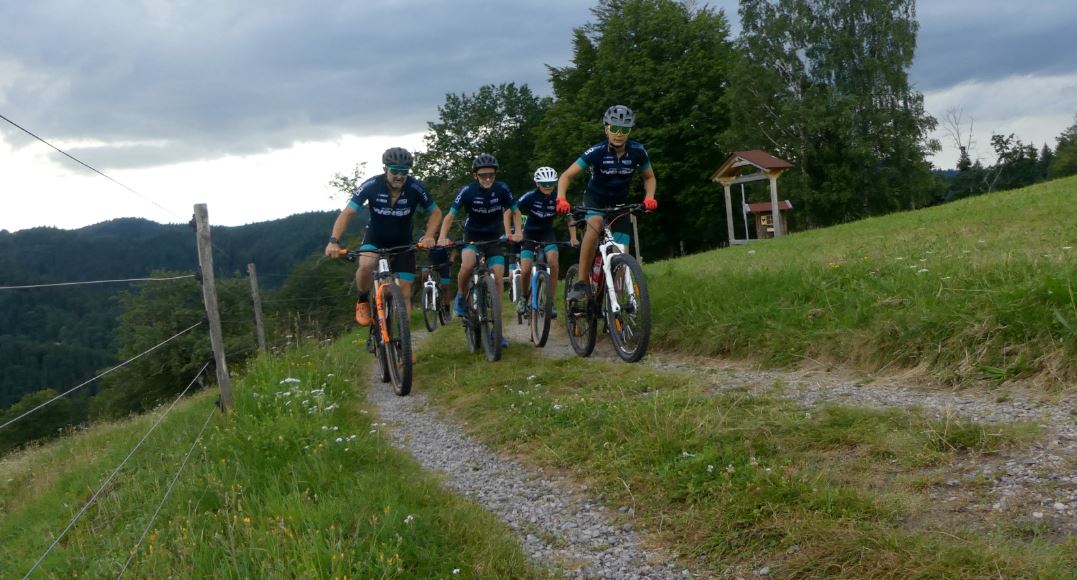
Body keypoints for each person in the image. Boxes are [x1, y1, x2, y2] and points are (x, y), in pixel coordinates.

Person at [325, 147, 442, 329]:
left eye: (404, 172)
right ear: (385, 169)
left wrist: (429, 235)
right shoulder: (371, 185)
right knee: (365, 266)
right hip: (375, 238)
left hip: (403, 242)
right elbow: (348, 213)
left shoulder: (415, 187)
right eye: (395, 171)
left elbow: (435, 212)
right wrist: (334, 241)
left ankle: (404, 345)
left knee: (404, 292)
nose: (399, 176)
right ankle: (363, 299)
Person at [556, 105, 657, 302]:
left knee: (622, 253)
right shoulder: (597, 152)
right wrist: (561, 198)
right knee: (594, 226)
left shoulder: (638, 151)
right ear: (606, 129)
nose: (619, 134)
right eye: (614, 128)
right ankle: (582, 282)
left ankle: (615, 304)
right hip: (595, 200)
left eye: (624, 130)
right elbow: (566, 176)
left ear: (630, 132)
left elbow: (650, 177)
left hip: (619, 204)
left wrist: (649, 197)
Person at [437, 153, 522, 347]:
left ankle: (497, 332)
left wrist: (518, 232)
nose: (487, 179)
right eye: (483, 175)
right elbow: (450, 216)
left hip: (493, 238)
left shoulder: (502, 189)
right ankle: (460, 296)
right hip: (472, 237)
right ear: (475, 175)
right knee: (467, 264)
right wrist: (442, 237)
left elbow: (515, 212)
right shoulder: (467, 191)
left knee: (499, 278)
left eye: (491, 175)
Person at [516, 166, 578, 318]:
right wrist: (517, 231)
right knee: (525, 270)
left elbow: (569, 218)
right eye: (544, 183)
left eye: (551, 183)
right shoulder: (530, 196)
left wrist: (574, 238)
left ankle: (550, 302)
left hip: (547, 233)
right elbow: (513, 210)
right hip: (529, 233)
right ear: (537, 184)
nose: (548, 186)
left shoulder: (558, 198)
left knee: (553, 262)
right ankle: (524, 298)